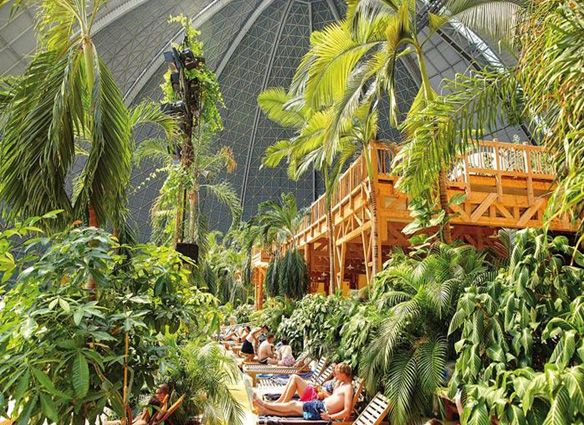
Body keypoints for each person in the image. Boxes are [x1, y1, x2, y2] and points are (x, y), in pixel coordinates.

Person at [254, 363, 354, 421]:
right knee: (293, 411)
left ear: (344, 374)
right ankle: (266, 411)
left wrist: (330, 417)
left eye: (337, 374)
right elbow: (333, 399)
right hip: (319, 406)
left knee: (293, 405)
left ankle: (264, 404)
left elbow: (347, 412)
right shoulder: (341, 384)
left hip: (321, 409)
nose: (335, 376)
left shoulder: (348, 388)